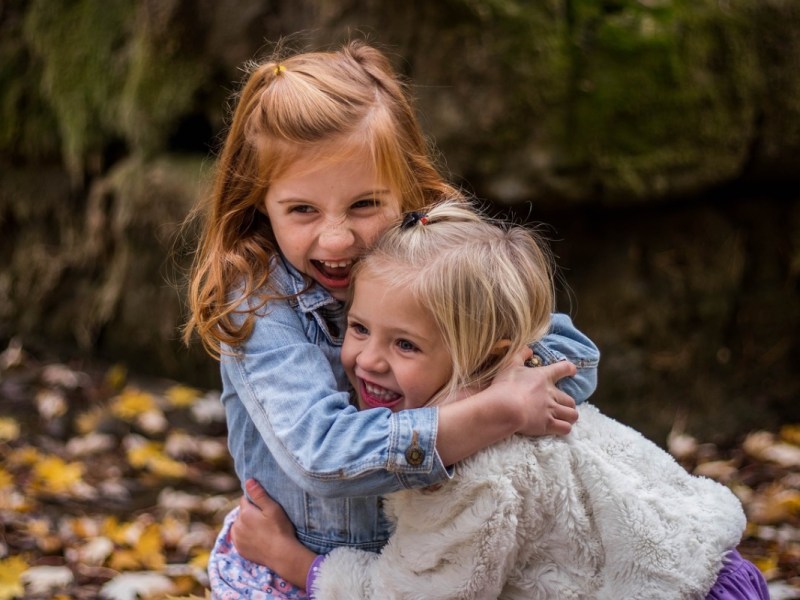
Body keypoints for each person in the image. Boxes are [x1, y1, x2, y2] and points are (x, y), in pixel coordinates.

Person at [182, 41, 600, 598]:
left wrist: (494, 382)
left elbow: (574, 359)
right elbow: (323, 455)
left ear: (406, 188)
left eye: (364, 206)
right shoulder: (261, 301)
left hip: (432, 561)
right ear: (260, 202)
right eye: (302, 210)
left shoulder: (435, 262)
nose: (337, 239)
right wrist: (489, 412)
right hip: (300, 567)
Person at [232, 202, 769, 599]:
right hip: (706, 565)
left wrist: (295, 561)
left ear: (489, 354)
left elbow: (412, 597)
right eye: (358, 327)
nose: (369, 360)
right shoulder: (524, 392)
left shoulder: (473, 472)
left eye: (405, 344)